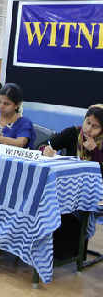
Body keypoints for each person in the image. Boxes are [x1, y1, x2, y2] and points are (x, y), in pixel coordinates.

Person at [40, 105, 103, 260]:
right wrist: (45, 149)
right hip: (70, 188)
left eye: (95, 127)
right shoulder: (73, 132)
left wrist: (95, 151)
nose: (88, 129)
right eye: (87, 122)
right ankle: (53, 250)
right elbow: (43, 144)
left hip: (95, 191)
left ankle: (75, 252)